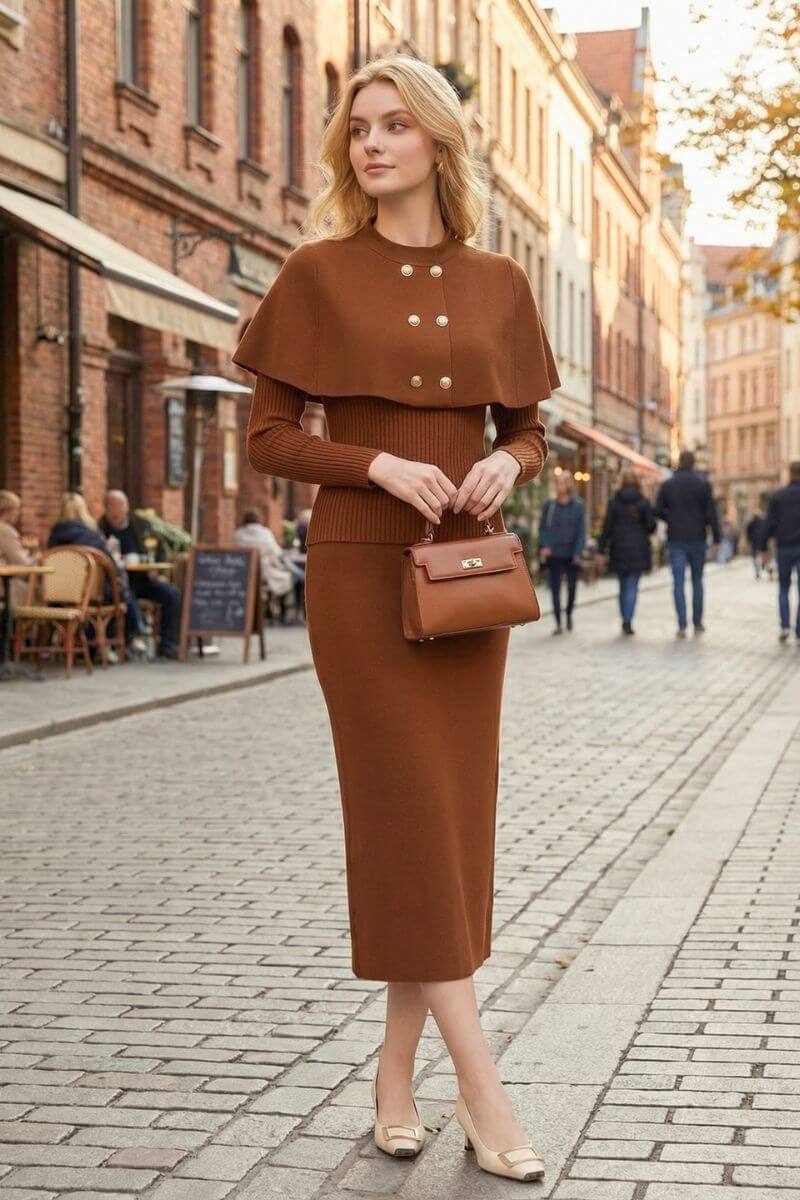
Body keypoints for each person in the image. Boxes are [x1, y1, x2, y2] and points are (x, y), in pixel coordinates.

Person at [230, 55, 559, 1183]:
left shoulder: (499, 283)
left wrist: (506, 467)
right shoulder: (316, 273)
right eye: (356, 127)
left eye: (393, 125)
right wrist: (371, 459)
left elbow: (526, 430)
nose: (369, 144)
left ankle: (392, 1069)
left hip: (466, 581)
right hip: (359, 576)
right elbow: (267, 437)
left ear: (436, 143)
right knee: (408, 816)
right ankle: (486, 1090)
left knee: (453, 825)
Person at [47, 491, 148, 656]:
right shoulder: (91, 536)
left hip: (57, 597)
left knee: (118, 590)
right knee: (121, 592)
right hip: (91, 596)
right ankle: (130, 637)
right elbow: (111, 565)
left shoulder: (54, 537)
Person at [99, 490, 182, 660]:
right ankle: (132, 640)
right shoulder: (99, 530)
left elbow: (159, 551)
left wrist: (156, 571)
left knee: (172, 594)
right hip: (117, 582)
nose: (116, 512)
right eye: (111, 507)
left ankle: (168, 645)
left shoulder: (141, 525)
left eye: (119, 507)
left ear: (126, 507)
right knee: (125, 596)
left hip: (144, 579)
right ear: (105, 509)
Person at [655, 449, 721, 637]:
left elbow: (658, 510)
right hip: (697, 537)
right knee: (697, 581)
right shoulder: (703, 484)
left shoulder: (668, 485)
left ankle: (682, 624)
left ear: (680, 462)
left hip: (676, 538)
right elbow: (711, 513)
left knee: (677, 582)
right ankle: (698, 622)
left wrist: (671, 518)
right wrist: (716, 538)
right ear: (693, 463)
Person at [597, 471, 656, 636]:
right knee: (632, 587)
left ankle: (624, 617)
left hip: (619, 548)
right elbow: (651, 526)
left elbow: (606, 527)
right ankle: (628, 620)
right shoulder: (643, 502)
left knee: (622, 587)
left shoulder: (614, 502)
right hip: (638, 549)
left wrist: (601, 549)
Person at [538, 472, 585, 634]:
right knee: (555, 588)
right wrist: (544, 545)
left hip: (572, 554)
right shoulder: (549, 505)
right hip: (554, 553)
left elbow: (581, 531)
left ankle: (569, 613)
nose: (558, 486)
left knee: (572, 589)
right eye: (556, 483)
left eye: (561, 483)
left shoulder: (578, 505)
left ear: (568, 485)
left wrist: (578, 551)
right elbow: (543, 527)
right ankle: (558, 622)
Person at [233, 507, 296, 622]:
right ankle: (280, 612)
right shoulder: (265, 533)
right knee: (287, 578)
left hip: (244, 574)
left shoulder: (238, 534)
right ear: (258, 519)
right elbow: (276, 552)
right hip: (265, 573)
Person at [765, 460, 800, 644]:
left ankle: (785, 626)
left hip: (784, 547)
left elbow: (769, 523)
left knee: (784, 588)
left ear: (789, 473)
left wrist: (763, 547)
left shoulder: (778, 496)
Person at [0, 489, 35, 613]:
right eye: (16, 509)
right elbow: (22, 565)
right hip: (4, 587)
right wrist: (36, 557)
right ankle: (23, 629)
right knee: (38, 589)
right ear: (8, 511)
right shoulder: (6, 531)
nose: (18, 513)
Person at [746, 509, 768, 579]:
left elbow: (748, 532)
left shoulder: (751, 523)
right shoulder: (763, 522)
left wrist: (749, 540)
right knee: (762, 555)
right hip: (762, 542)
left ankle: (758, 571)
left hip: (754, 542)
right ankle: (763, 566)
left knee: (755, 557)